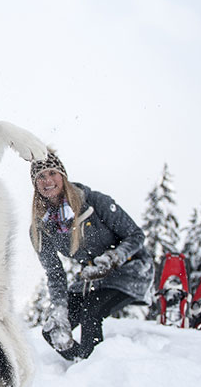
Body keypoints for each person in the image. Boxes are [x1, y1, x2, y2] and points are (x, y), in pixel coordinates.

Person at [30, 150, 152, 360]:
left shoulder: (94, 202)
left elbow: (136, 235)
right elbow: (55, 273)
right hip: (93, 279)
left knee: (91, 312)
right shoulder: (41, 228)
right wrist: (59, 308)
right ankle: (83, 364)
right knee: (53, 330)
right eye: (40, 176)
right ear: (35, 184)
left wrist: (113, 258)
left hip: (130, 269)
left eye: (52, 173)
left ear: (63, 176)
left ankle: (96, 372)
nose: (47, 180)